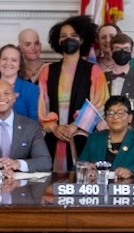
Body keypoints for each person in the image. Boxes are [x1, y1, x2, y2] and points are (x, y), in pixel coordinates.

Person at [37, 15, 108, 173]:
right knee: (51, 187)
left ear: (82, 40)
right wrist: (54, 127)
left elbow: (99, 104)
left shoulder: (94, 71)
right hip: (52, 137)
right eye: (64, 36)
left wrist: (75, 126)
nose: (68, 39)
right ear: (58, 41)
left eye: (73, 36)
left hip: (82, 137)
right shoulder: (47, 71)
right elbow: (42, 104)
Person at [80, 95, 134, 181]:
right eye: (110, 113)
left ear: (130, 118)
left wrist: (131, 171)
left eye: (121, 113)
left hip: (128, 191)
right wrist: (86, 168)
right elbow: (79, 165)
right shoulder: (94, 139)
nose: (115, 117)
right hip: (97, 191)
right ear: (106, 118)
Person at [0, 44, 39, 120]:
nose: (8, 63)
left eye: (14, 60)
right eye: (4, 59)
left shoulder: (32, 90)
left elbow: (34, 124)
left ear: (19, 64)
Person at [102, 33, 134, 120]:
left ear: (132, 53)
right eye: (117, 49)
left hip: (131, 131)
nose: (122, 52)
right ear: (111, 52)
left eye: (126, 49)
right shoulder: (101, 78)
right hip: (103, 129)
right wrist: (99, 122)